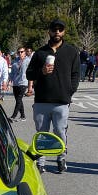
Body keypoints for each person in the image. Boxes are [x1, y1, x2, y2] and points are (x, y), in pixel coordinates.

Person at [25, 19, 80, 173]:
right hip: (42, 99)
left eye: (60, 29)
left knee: (60, 131)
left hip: (62, 101)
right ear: (49, 31)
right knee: (42, 133)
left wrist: (70, 90)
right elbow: (29, 73)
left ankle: (61, 158)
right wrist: (41, 72)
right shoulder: (40, 52)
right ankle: (41, 161)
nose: (57, 32)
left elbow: (76, 74)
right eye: (54, 29)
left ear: (64, 32)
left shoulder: (71, 51)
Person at [8, 46, 30, 121]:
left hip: (23, 82)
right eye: (19, 52)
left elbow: (30, 72)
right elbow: (12, 72)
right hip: (15, 83)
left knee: (19, 99)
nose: (20, 53)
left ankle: (13, 116)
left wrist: (30, 85)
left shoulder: (28, 60)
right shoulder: (15, 61)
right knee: (18, 100)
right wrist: (9, 80)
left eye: (22, 52)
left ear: (25, 52)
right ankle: (23, 116)